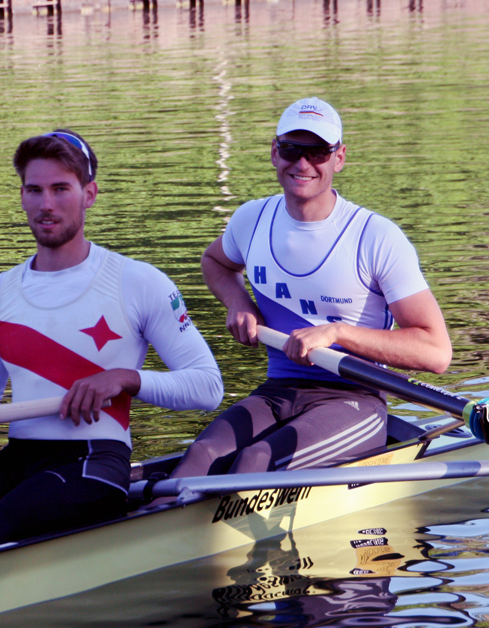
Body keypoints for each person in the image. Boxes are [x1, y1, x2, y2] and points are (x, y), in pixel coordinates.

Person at [0, 130, 223, 570]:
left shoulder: (140, 282)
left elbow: (207, 388)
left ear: (89, 194)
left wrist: (125, 378)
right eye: (34, 190)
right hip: (19, 459)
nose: (45, 204)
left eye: (60, 189)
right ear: (22, 195)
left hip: (95, 462)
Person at [162, 97, 451, 483]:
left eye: (317, 152)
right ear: (274, 151)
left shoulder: (376, 237)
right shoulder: (251, 218)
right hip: (277, 390)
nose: (302, 164)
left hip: (354, 400)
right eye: (291, 149)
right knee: (201, 454)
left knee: (257, 460)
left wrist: (337, 333)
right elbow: (215, 262)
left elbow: (436, 351)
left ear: (339, 158)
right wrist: (238, 302)